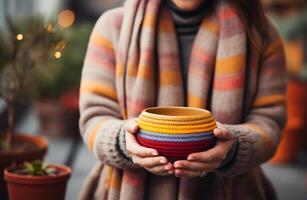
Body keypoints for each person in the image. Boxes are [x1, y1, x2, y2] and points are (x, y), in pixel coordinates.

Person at [79, 0, 286, 199]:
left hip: (232, 191)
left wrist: (233, 148)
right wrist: (125, 142)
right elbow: (94, 119)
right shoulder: (113, 27)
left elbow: (269, 123)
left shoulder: (261, 33)